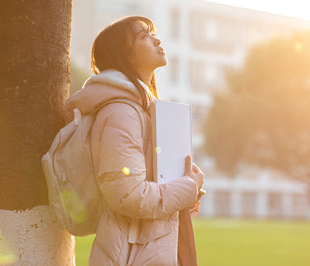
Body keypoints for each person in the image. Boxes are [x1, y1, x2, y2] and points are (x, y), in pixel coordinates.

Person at [64, 15, 205, 266]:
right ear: (124, 55)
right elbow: (128, 196)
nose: (157, 39)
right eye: (144, 36)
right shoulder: (121, 112)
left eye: (152, 33)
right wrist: (188, 187)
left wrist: (186, 193)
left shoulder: (142, 110)